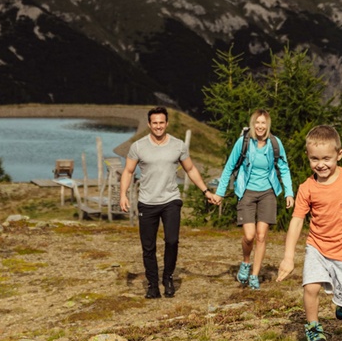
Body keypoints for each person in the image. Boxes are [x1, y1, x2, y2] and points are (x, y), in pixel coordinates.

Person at [275, 125, 342, 341]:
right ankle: (314, 329)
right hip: (317, 246)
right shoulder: (306, 188)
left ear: (339, 155)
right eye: (314, 158)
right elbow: (296, 221)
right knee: (311, 287)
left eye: (326, 158)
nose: (320, 164)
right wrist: (288, 257)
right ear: (308, 157)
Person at [120, 107, 216, 299]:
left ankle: (168, 278)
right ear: (149, 124)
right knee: (148, 247)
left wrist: (206, 191)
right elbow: (128, 171)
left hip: (171, 200)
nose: (158, 126)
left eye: (161, 122)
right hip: (147, 202)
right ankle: (153, 285)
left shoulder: (178, 145)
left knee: (172, 241)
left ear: (167, 124)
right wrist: (123, 194)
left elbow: (190, 169)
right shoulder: (138, 146)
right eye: (154, 123)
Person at [210, 109, 294, 290]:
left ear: (268, 125)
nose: (260, 126)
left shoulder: (275, 143)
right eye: (257, 122)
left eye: (263, 123)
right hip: (246, 191)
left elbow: (284, 168)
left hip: (268, 192)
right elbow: (228, 168)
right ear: (253, 124)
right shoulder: (244, 142)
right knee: (249, 236)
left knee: (261, 235)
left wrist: (289, 192)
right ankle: (246, 262)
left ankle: (254, 276)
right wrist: (219, 193)